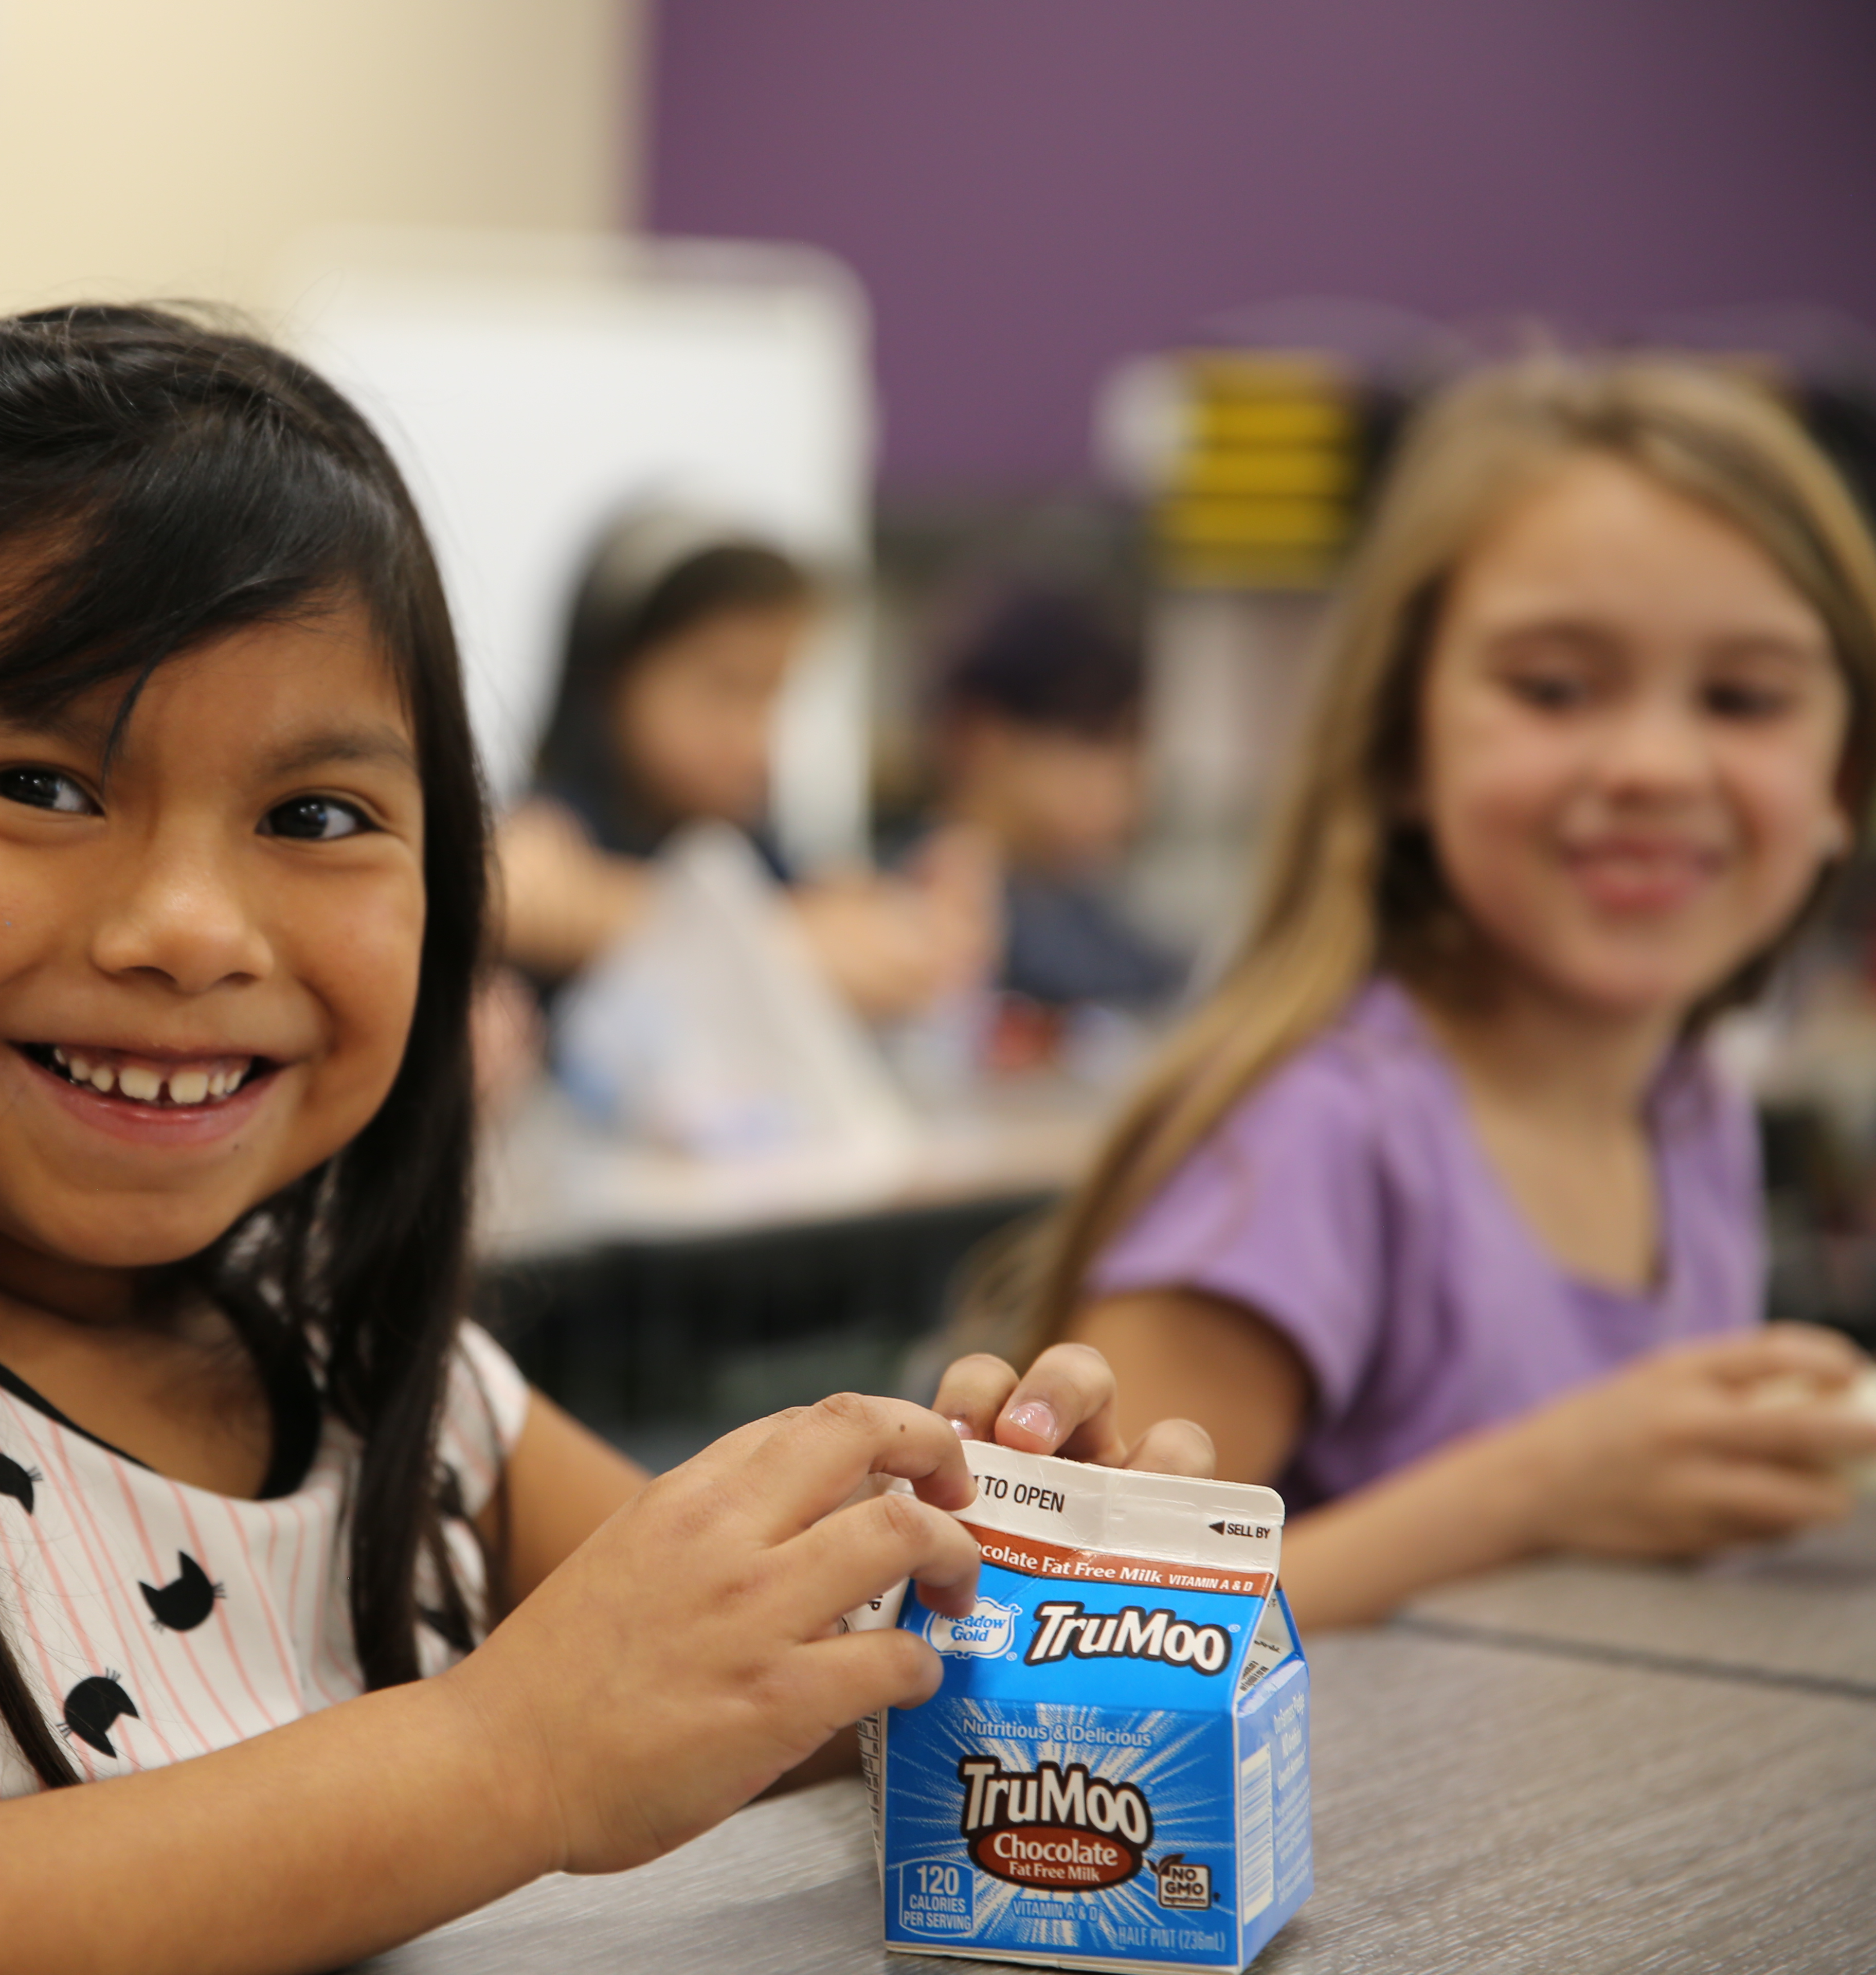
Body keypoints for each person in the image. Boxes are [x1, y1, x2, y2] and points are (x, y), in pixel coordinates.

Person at [0, 309, 1202, 1975]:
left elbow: (729, 1699)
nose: (190, 929)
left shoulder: (369, 1373)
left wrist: (1011, 1600)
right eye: (40, 785)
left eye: (312, 815)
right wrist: (498, 1761)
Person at [1001, 355, 1876, 1631]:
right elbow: (1054, 1626)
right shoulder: (1308, 1131)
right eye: (1550, 686)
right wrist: (1537, 1489)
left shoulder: (1689, 1105)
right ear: (1399, 744)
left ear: (1837, 784)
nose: (1649, 762)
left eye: (1741, 698)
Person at [496, 510, 994, 1020]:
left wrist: (913, 916)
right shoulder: (552, 827)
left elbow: (853, 929)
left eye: (772, 697)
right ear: (608, 683)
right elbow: (514, 897)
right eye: (724, 688)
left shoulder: (739, 841)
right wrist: (798, 940)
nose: (754, 739)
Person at [924, 585, 1185, 1016]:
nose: (1123, 784)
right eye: (1091, 744)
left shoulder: (1079, 904)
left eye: (1130, 753)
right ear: (982, 738)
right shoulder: (915, 905)